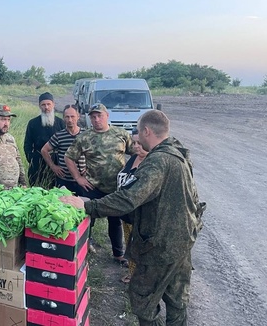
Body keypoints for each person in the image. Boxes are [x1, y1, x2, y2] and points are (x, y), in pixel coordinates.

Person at [60, 110, 206, 326]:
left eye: (138, 132)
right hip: (182, 240)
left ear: (147, 131)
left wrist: (88, 205)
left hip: (161, 245)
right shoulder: (179, 153)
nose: (137, 137)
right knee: (176, 300)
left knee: (141, 298)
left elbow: (129, 198)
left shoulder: (158, 161)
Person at [64, 103, 133, 260]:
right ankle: (83, 250)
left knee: (115, 222)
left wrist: (131, 176)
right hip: (92, 186)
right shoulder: (85, 137)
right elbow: (69, 157)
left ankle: (118, 254)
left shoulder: (121, 134)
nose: (96, 119)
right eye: (93, 117)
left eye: (99, 116)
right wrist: (78, 178)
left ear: (107, 116)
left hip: (116, 189)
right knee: (87, 220)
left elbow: (136, 153)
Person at [116, 127, 148, 283]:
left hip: (138, 215)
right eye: (134, 143)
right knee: (128, 243)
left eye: (140, 143)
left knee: (137, 246)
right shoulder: (133, 158)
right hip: (125, 213)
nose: (136, 146)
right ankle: (131, 272)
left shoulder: (150, 164)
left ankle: (137, 277)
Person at [40, 104, 85, 195]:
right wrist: (53, 166)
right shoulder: (59, 136)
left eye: (72, 116)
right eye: (67, 117)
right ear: (63, 118)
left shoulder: (86, 134)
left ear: (78, 117)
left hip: (82, 180)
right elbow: (44, 150)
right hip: (64, 180)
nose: (70, 120)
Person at [24, 92, 65, 188]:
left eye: (48, 104)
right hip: (38, 164)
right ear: (39, 106)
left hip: (57, 163)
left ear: (53, 105)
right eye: (43, 104)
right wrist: (32, 159)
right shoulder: (33, 123)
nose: (46, 107)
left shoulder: (61, 123)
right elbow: (27, 144)